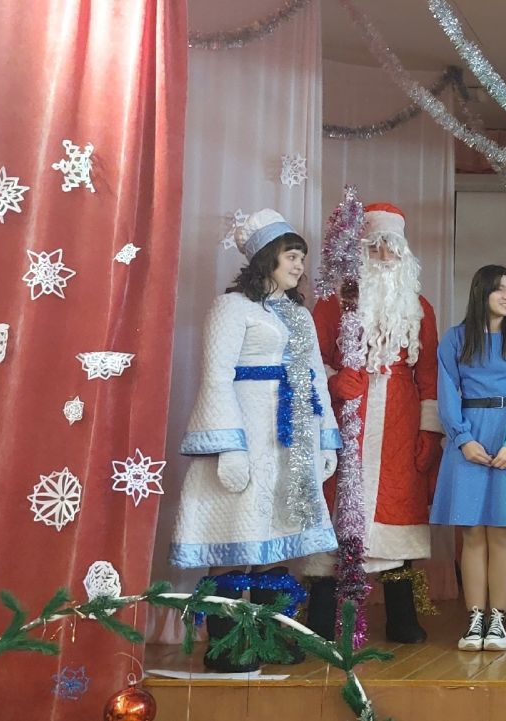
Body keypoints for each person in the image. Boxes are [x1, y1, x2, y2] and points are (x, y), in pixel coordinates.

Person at [169, 208, 340, 672]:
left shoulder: (300, 317)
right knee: (236, 538)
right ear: (267, 257)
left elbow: (315, 380)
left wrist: (326, 440)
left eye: (302, 257)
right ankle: (227, 647)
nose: (300, 264)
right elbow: (216, 377)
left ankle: (269, 637)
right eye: (291, 255)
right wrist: (229, 445)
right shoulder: (231, 308)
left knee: (276, 541)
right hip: (247, 436)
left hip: (290, 442)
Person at [303, 203, 442, 646]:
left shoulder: (420, 309)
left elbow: (429, 374)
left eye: (391, 247)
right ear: (361, 251)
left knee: (397, 516)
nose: (383, 255)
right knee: (338, 512)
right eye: (375, 246)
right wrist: (334, 381)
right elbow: (309, 360)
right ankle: (321, 618)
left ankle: (402, 619)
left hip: (399, 425)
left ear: (404, 253)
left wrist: (429, 431)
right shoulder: (334, 303)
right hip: (347, 423)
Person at [430, 264, 506, 651]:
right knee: (471, 533)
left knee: (502, 532)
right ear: (481, 292)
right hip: (468, 437)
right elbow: (447, 391)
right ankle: (475, 619)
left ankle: (498, 621)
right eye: (499, 289)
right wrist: (462, 439)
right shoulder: (455, 339)